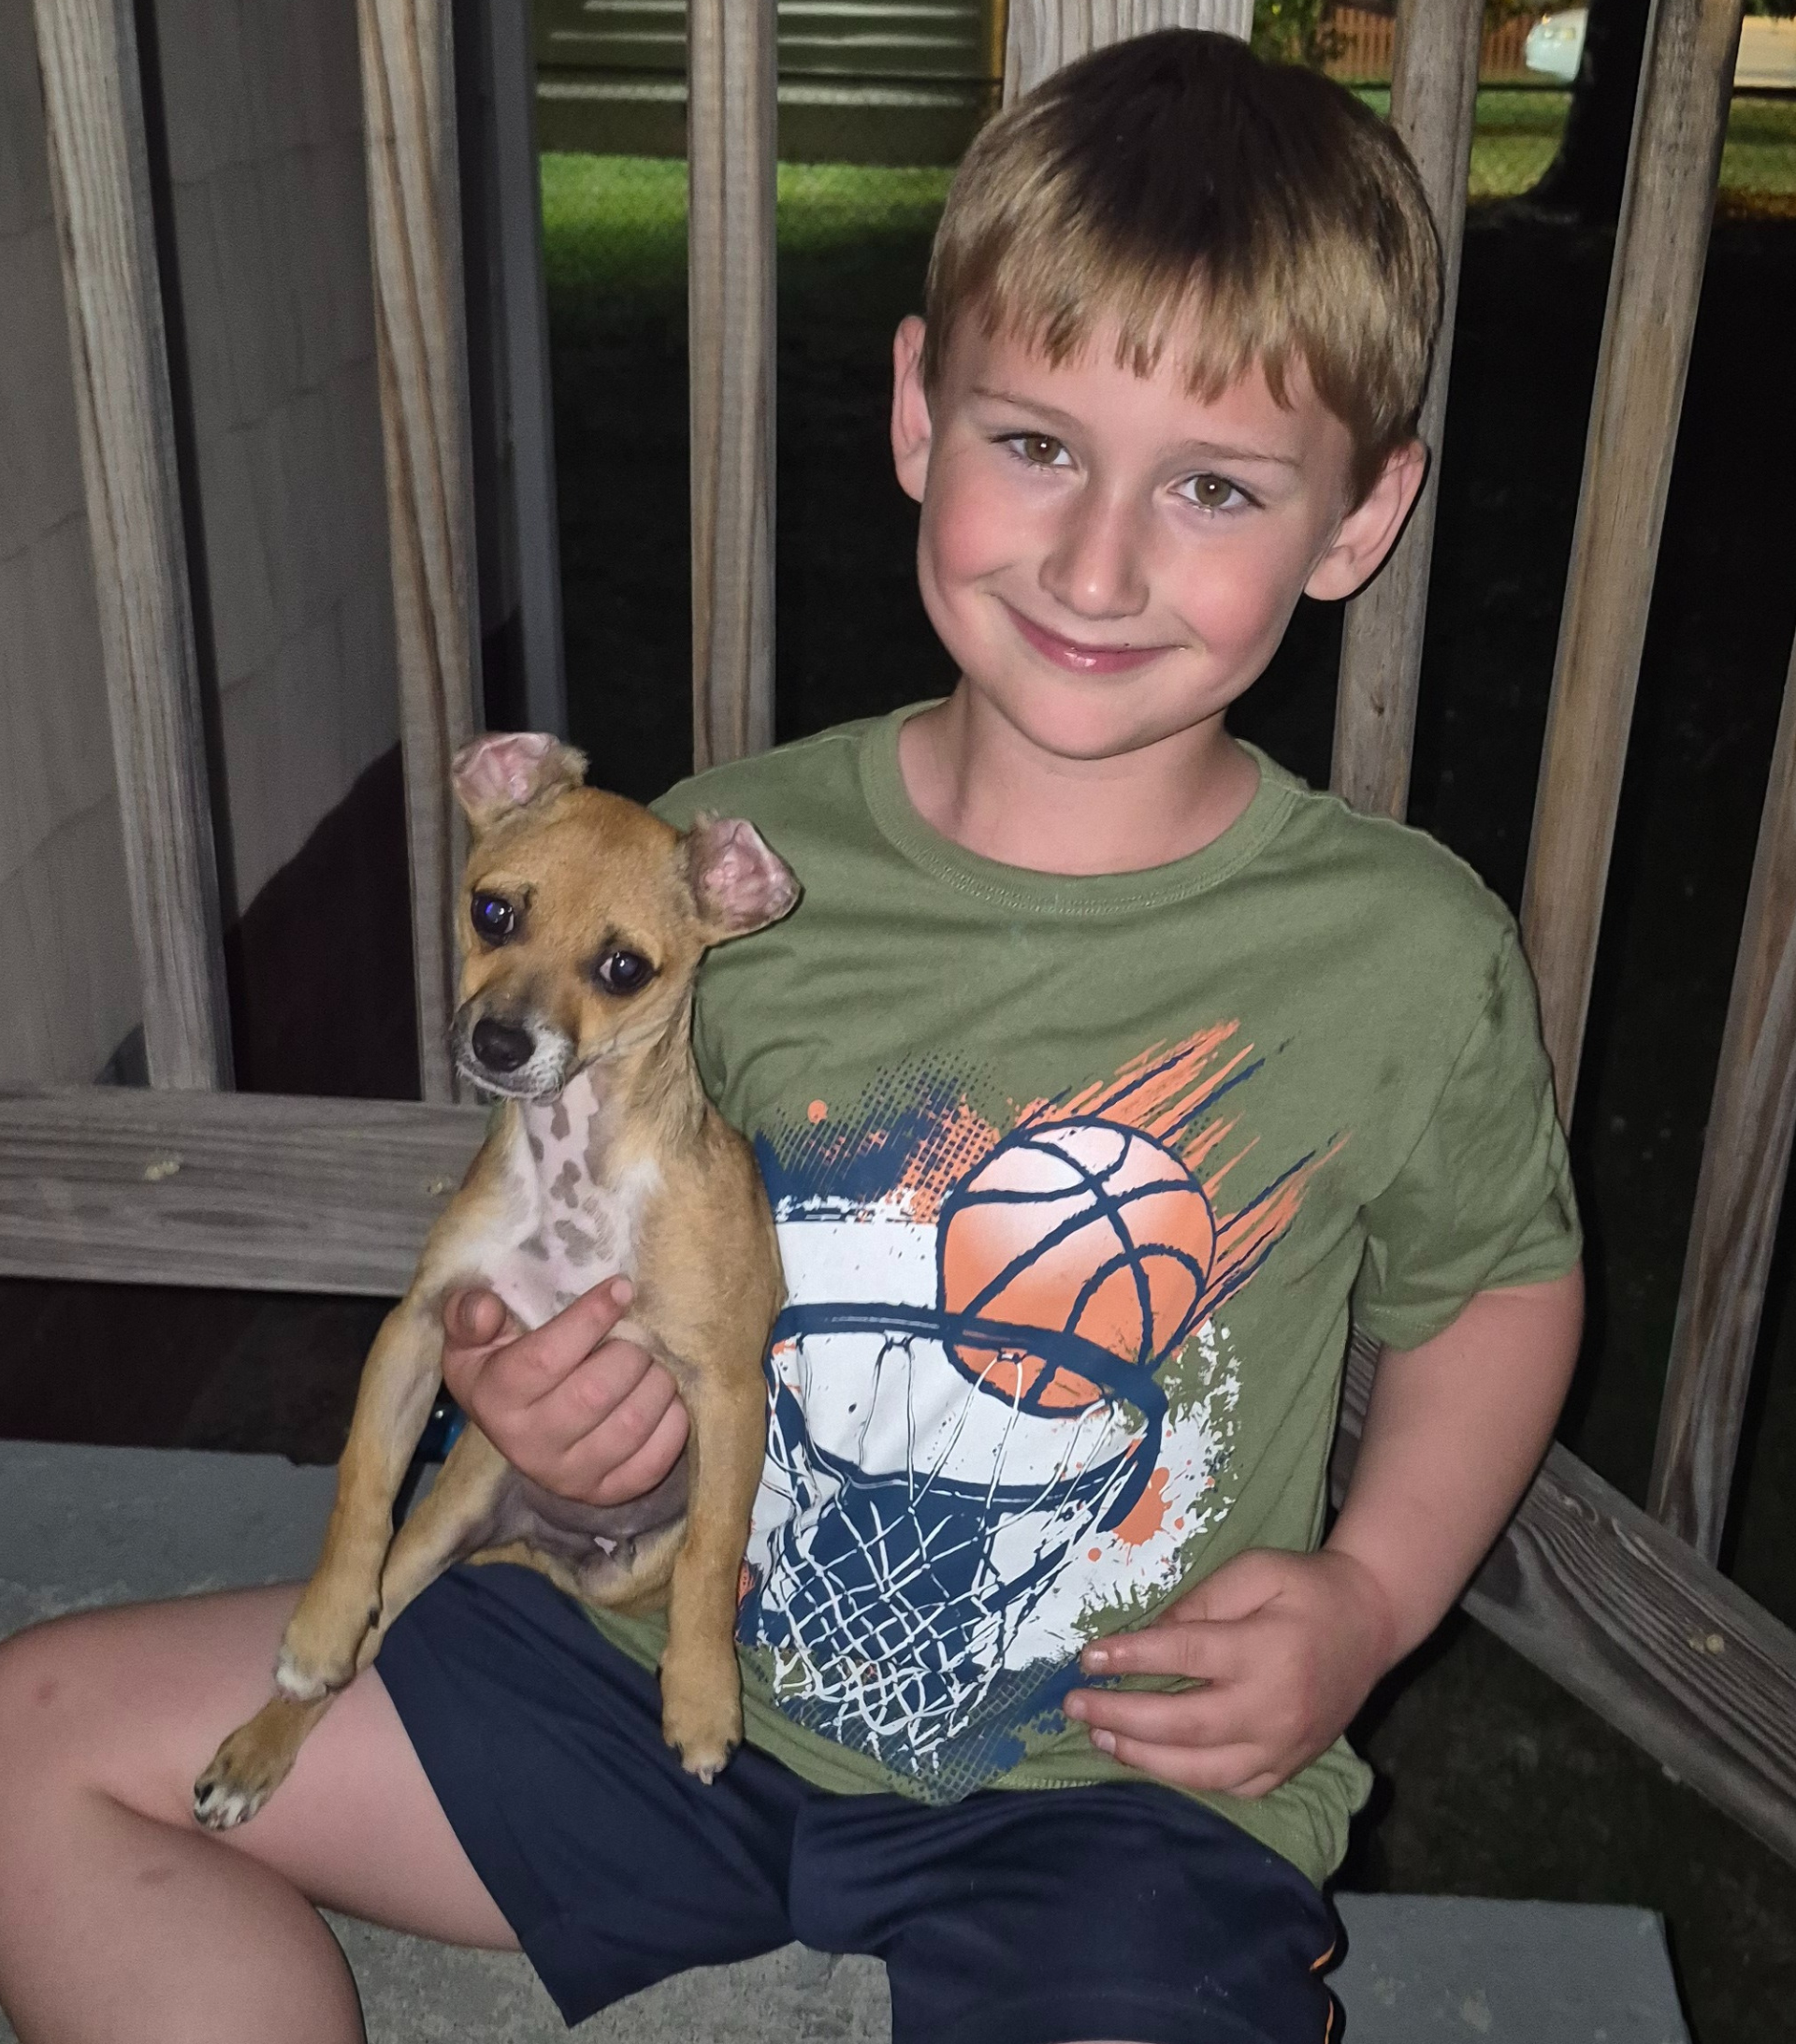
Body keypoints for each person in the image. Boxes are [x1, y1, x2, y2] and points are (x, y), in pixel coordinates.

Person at [0, 30, 1582, 2044]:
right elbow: (577, 1257)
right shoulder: (718, 873)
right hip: (661, 1670)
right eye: (1037, 445)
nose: (1101, 561)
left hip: (1109, 1789)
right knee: (38, 1742)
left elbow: (1501, 1293)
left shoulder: (1400, 951)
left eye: (1213, 486)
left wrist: (1368, 1604)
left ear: (1357, 519)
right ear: (919, 412)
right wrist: (563, 1451)